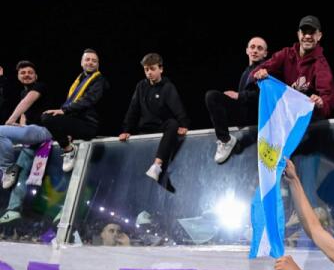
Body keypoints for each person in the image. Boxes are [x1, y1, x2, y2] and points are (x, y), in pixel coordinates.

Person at [119, 53, 189, 182]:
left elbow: (178, 107)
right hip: (144, 131)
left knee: (173, 123)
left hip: (161, 128)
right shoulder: (141, 86)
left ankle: (157, 166)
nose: (149, 72)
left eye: (152, 69)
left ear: (160, 69)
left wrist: (184, 125)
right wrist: (126, 130)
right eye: (146, 69)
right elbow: (133, 109)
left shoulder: (168, 87)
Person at [253, 15, 334, 118]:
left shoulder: (321, 64)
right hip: (283, 115)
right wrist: (259, 73)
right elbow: (257, 71)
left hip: (304, 120)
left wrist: (321, 103)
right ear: (298, 34)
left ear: (319, 36)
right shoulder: (286, 54)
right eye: (304, 32)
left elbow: (329, 97)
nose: (307, 36)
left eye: (312, 32)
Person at [42, 48, 109, 173]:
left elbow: (88, 100)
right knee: (47, 116)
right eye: (87, 59)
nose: (90, 62)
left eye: (94, 61)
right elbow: (71, 101)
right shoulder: (80, 80)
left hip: (89, 125)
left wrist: (64, 110)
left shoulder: (100, 80)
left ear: (98, 65)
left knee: (49, 119)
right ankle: (67, 143)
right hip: (77, 121)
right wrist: (63, 111)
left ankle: (69, 150)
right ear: (81, 62)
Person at [206, 37, 268, 164]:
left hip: (257, 115)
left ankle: (225, 141)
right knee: (213, 97)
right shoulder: (246, 72)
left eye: (259, 48)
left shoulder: (265, 70)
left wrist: (239, 96)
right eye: (252, 47)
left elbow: (264, 96)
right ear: (247, 50)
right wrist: (233, 98)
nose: (255, 50)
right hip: (243, 114)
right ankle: (227, 140)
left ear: (265, 53)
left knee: (212, 96)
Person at [0, 61, 53, 189]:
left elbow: (27, 102)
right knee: (22, 180)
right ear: (18, 76)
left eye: (30, 72)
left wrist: (10, 121)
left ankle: (8, 168)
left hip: (45, 130)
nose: (26, 75)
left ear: (36, 76)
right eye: (23, 73)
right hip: (32, 132)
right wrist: (20, 127)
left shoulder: (40, 86)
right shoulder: (23, 93)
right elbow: (24, 114)